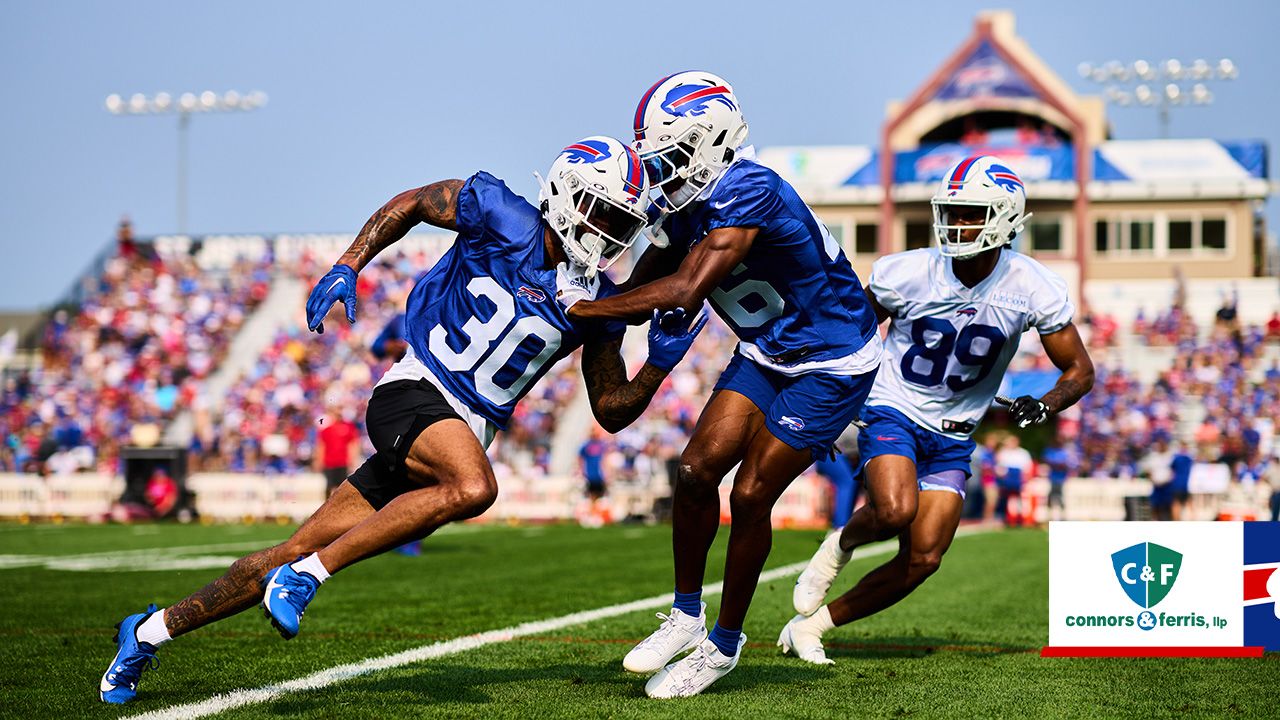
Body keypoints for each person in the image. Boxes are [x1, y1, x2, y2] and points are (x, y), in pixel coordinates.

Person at [98, 136, 708, 704]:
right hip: (415, 392)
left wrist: (656, 366)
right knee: (474, 488)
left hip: (451, 435)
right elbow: (414, 202)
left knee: (292, 547)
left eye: (623, 223)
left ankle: (149, 631)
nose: (610, 232)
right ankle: (309, 578)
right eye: (603, 213)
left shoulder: (598, 299)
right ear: (569, 198)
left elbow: (610, 411)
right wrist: (349, 261)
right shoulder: (503, 214)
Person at [566, 71, 882, 698]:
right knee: (693, 471)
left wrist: (583, 310)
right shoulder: (686, 196)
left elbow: (685, 289)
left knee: (751, 493)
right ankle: (686, 614)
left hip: (833, 360)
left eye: (675, 155)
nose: (663, 171)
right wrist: (593, 289)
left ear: (715, 140)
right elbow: (642, 278)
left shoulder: (750, 187)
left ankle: (724, 645)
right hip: (769, 349)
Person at [779, 155, 1094, 665]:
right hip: (894, 405)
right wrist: (832, 409)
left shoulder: (1034, 285)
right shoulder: (906, 271)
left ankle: (813, 626)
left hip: (954, 430)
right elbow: (850, 336)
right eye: (954, 211)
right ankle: (838, 546)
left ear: (1006, 218)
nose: (959, 223)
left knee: (925, 555)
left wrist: (1048, 402)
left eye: (972, 212)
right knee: (895, 510)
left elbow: (1079, 369)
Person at [315, 409, 360, 496]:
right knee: (329, 485)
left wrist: (353, 459)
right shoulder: (326, 430)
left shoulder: (348, 428)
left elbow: (353, 444)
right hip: (329, 463)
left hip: (342, 463)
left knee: (341, 486)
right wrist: (319, 460)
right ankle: (327, 505)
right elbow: (321, 446)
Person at [1041, 439, 1075, 521]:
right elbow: (1048, 460)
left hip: (1061, 479)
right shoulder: (1050, 451)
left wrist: (1057, 464)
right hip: (1052, 478)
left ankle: (1063, 517)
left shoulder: (1064, 452)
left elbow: (1066, 464)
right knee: (1050, 498)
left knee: (1061, 498)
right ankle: (1048, 517)